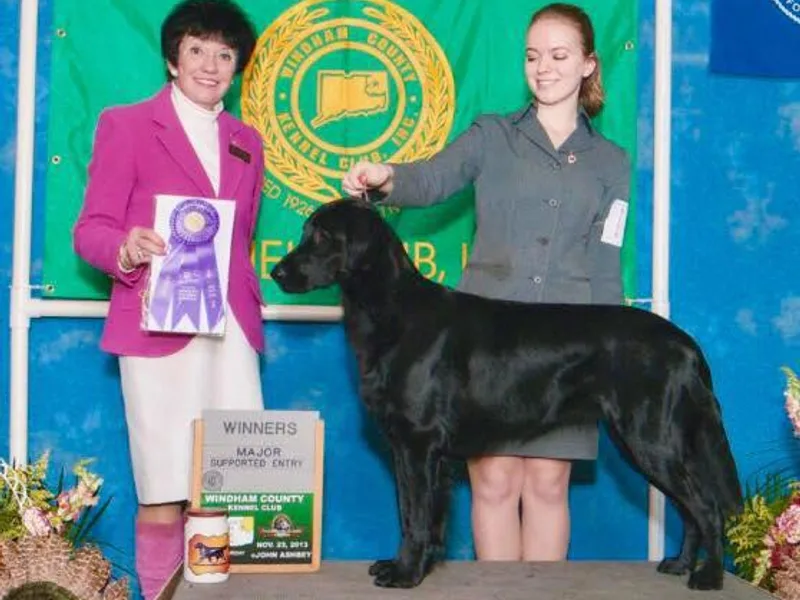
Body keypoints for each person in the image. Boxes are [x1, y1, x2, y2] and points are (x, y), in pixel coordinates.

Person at [342, 2, 630, 562]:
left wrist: (609, 353)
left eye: (558, 55)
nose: (543, 67)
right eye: (532, 55)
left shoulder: (612, 162)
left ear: (589, 65)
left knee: (548, 485)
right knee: (494, 483)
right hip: (484, 343)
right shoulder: (491, 134)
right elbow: (431, 178)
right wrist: (386, 178)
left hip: (564, 350)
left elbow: (605, 260)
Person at [73, 1, 265, 597]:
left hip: (229, 330)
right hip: (155, 326)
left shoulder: (247, 142)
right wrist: (127, 249)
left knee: (228, 486)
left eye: (225, 54)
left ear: (238, 68)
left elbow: (242, 237)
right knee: (162, 486)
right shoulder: (125, 124)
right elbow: (90, 229)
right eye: (197, 50)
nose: (210, 64)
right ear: (172, 58)